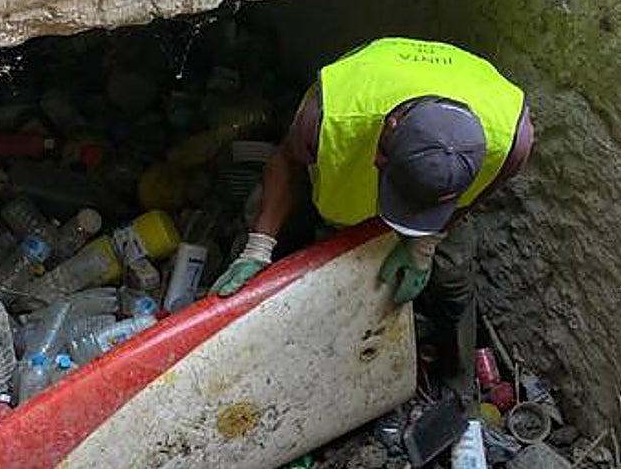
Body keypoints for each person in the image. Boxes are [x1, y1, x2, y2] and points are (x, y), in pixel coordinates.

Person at [210, 37, 534, 400]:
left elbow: (479, 195)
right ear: (390, 127)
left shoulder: (510, 141)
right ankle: (243, 332)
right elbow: (287, 162)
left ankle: (460, 386)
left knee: (452, 276)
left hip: (427, 191)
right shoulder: (331, 113)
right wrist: (260, 245)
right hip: (343, 167)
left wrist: (427, 242)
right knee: (267, 218)